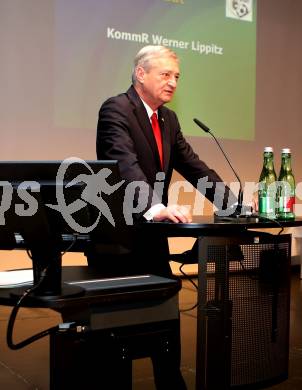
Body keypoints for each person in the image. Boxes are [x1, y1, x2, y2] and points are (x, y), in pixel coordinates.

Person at [89, 45, 237, 389]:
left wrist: (233, 205)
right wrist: (155, 208)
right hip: (119, 242)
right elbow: (126, 166)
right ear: (141, 74)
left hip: (151, 242)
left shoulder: (168, 119)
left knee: (166, 329)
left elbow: (194, 167)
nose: (173, 83)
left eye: (177, 77)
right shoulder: (116, 109)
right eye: (165, 75)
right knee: (119, 342)